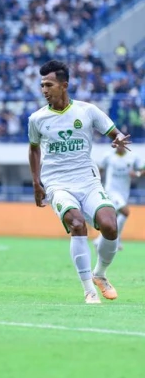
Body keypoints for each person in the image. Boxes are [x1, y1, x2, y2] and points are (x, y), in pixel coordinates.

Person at [28, 60, 130, 304]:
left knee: (110, 226)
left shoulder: (87, 111)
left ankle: (100, 275)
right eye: (42, 85)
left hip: (88, 180)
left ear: (64, 85)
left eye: (49, 84)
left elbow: (114, 132)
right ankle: (88, 290)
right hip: (57, 183)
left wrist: (117, 140)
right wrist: (36, 182)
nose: (44, 89)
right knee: (76, 223)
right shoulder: (37, 119)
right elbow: (33, 150)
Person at [95, 144, 143, 251]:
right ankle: (117, 239)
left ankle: (99, 241)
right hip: (111, 191)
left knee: (114, 218)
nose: (120, 146)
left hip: (124, 193)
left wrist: (137, 174)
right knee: (125, 212)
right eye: (118, 144)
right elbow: (100, 169)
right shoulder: (108, 156)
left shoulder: (133, 157)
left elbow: (142, 170)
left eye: (122, 144)